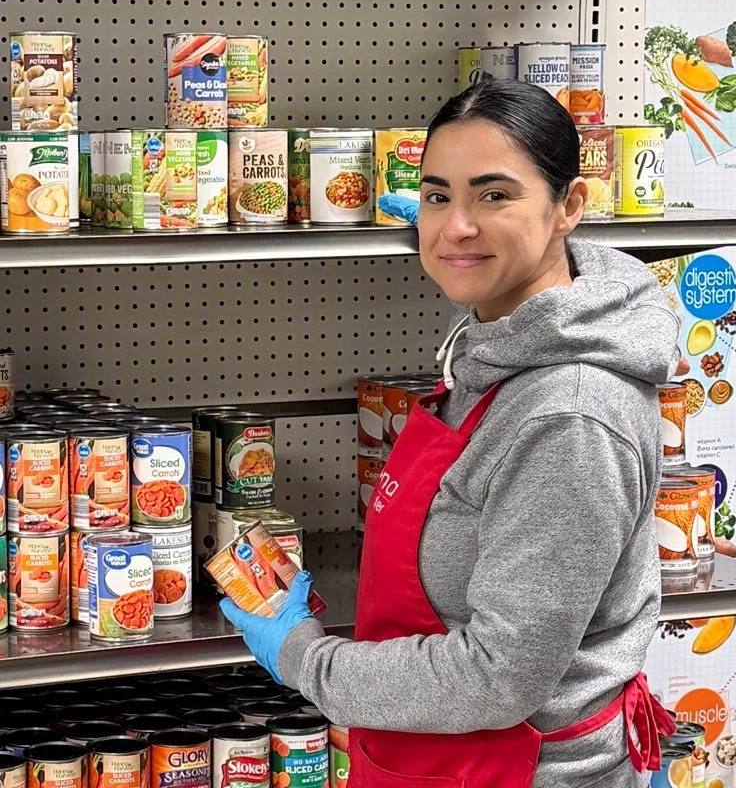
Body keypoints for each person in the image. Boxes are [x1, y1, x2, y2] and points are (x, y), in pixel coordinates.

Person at [221, 79, 680, 787]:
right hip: (441, 754)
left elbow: (496, 677)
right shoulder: (500, 339)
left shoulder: (569, 418)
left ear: (570, 207)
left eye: (494, 195)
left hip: (521, 769)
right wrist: (467, 227)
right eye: (438, 197)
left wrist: (305, 658)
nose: (455, 226)